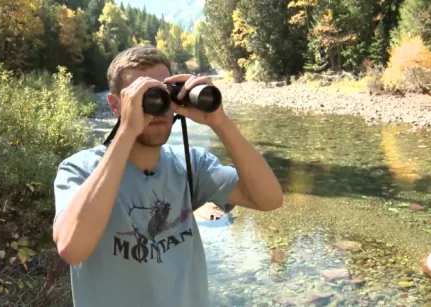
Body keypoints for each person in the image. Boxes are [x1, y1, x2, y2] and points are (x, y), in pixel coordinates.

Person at [52, 46, 283, 307]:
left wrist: (220, 122)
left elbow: (269, 199)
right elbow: (72, 248)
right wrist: (127, 131)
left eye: (164, 95)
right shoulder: (79, 169)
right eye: (143, 97)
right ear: (116, 105)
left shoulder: (190, 163)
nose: (157, 108)